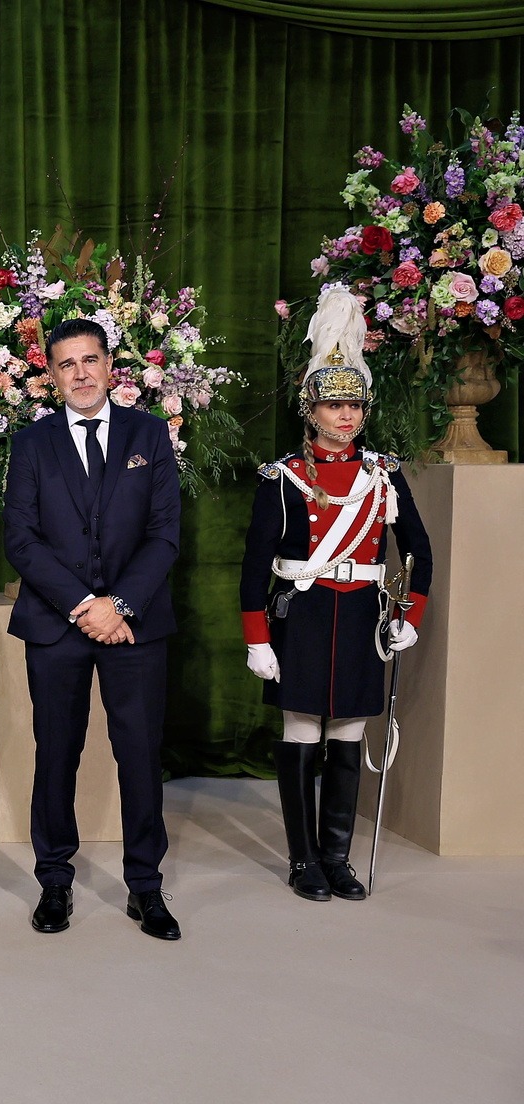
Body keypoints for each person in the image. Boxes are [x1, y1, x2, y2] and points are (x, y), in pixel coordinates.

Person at [240, 286, 432, 902]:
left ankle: (338, 858)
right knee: (301, 728)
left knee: (348, 732)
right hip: (303, 613)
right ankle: (304, 861)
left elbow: (419, 550)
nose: (345, 416)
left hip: (359, 617)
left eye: (353, 405)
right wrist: (257, 639)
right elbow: (254, 566)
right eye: (332, 405)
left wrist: (411, 616)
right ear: (311, 410)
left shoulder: (384, 473)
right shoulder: (283, 477)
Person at [3, 317, 183, 941]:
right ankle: (54, 880)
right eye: (66, 365)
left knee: (140, 755)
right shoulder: (31, 444)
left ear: (110, 366)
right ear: (51, 377)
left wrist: (120, 605)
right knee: (57, 753)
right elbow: (21, 539)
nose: (80, 374)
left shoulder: (148, 434)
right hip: (57, 626)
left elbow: (165, 533)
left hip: (136, 627)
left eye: (89, 360)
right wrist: (85, 604)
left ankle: (146, 886)